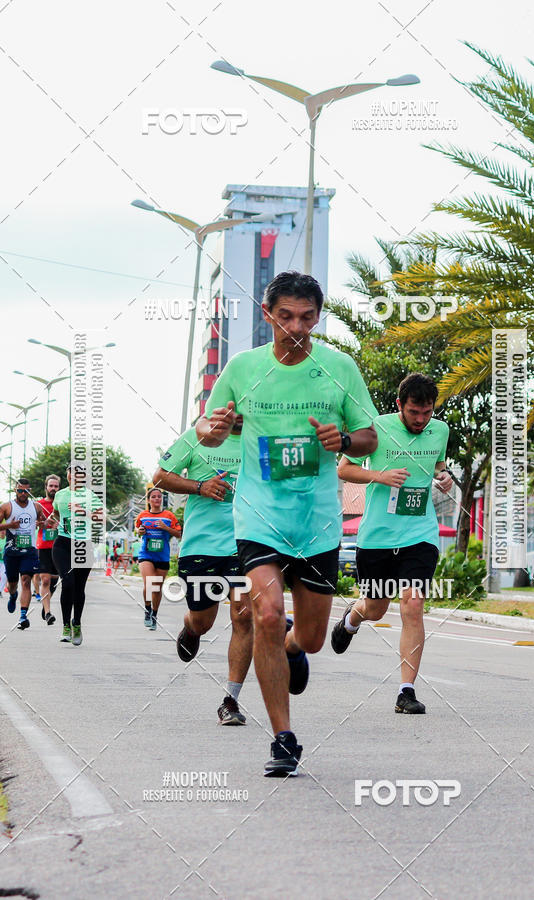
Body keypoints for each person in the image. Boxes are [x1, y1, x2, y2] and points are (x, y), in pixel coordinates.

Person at [196, 270, 378, 775]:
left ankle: (297, 648)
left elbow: (368, 438)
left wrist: (340, 439)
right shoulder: (242, 367)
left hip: (318, 521)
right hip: (258, 515)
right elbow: (209, 434)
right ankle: (283, 737)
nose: (296, 326)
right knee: (267, 617)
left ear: (318, 317)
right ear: (267, 314)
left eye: (307, 317)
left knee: (311, 637)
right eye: (286, 316)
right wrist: (213, 427)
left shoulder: (339, 368)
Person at [332, 373, 453, 714]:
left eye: (427, 412)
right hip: (378, 537)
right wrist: (379, 476)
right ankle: (351, 619)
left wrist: (444, 477)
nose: (420, 419)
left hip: (420, 534)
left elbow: (440, 466)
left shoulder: (440, 430)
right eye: (414, 412)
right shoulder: (375, 428)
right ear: (399, 405)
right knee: (376, 608)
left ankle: (406, 691)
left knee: (412, 605)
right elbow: (344, 469)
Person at [153, 419, 253, 726]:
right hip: (202, 547)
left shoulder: (260, 438)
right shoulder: (198, 437)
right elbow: (159, 477)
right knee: (203, 621)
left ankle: (230, 700)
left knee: (243, 614)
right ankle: (191, 627)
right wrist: (200, 486)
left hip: (246, 543)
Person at [46, 465, 104, 646]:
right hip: (62, 543)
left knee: (79, 588)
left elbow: (101, 517)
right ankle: (65, 625)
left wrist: (83, 511)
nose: (75, 476)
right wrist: (52, 520)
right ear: (68, 475)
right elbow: (56, 513)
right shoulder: (61, 495)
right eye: (72, 472)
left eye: (79, 473)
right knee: (68, 582)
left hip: (83, 545)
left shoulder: (90, 496)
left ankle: (76, 623)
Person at [0, 478, 45, 630]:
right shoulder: (7, 507)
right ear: (15, 490)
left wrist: (42, 524)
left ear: (29, 491)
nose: (23, 493)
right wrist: (9, 525)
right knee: (13, 583)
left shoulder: (36, 506)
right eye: (20, 490)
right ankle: (13, 595)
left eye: (26, 491)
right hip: (12, 551)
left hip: (29, 550)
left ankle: (23, 616)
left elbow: (45, 522)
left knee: (26, 580)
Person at [134, 488, 181, 630]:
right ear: (148, 500)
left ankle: (154, 614)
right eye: (153, 497)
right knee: (149, 583)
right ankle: (147, 610)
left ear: (162, 499)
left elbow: (178, 533)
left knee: (157, 588)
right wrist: (139, 531)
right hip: (146, 554)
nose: (156, 499)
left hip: (162, 556)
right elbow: (137, 530)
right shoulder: (143, 515)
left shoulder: (169, 516)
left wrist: (166, 528)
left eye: (159, 497)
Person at [37, 473, 61, 626]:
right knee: (45, 579)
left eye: (56, 486)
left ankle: (45, 606)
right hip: (44, 546)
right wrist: (41, 523)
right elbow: (34, 523)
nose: (53, 488)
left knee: (53, 581)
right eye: (51, 486)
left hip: (59, 547)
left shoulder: (62, 503)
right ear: (46, 487)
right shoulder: (38, 505)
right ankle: (48, 613)